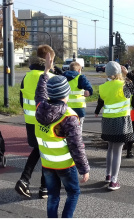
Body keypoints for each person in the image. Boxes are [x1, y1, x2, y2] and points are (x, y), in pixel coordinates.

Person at [35, 52, 90, 218]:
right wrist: (84, 169)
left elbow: (40, 92)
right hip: (65, 165)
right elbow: (76, 146)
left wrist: (46, 72)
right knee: (73, 193)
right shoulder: (69, 117)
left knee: (53, 195)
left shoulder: (40, 108)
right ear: (66, 93)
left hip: (47, 163)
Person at [94, 61, 134, 190]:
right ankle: (114, 181)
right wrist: (128, 74)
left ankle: (108, 175)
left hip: (107, 121)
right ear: (119, 72)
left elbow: (102, 101)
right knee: (118, 151)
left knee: (110, 148)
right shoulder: (124, 86)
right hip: (121, 122)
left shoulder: (103, 87)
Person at [15, 44, 56, 199]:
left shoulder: (27, 76)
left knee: (38, 150)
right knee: (47, 153)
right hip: (47, 122)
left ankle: (26, 181)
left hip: (30, 120)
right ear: (49, 59)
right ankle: (43, 186)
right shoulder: (50, 78)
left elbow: (21, 100)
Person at [63, 61, 93, 133]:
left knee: (66, 127)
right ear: (79, 70)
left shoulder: (63, 77)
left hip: (66, 107)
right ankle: (77, 142)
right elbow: (88, 87)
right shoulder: (80, 77)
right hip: (79, 108)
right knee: (78, 127)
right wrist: (89, 91)